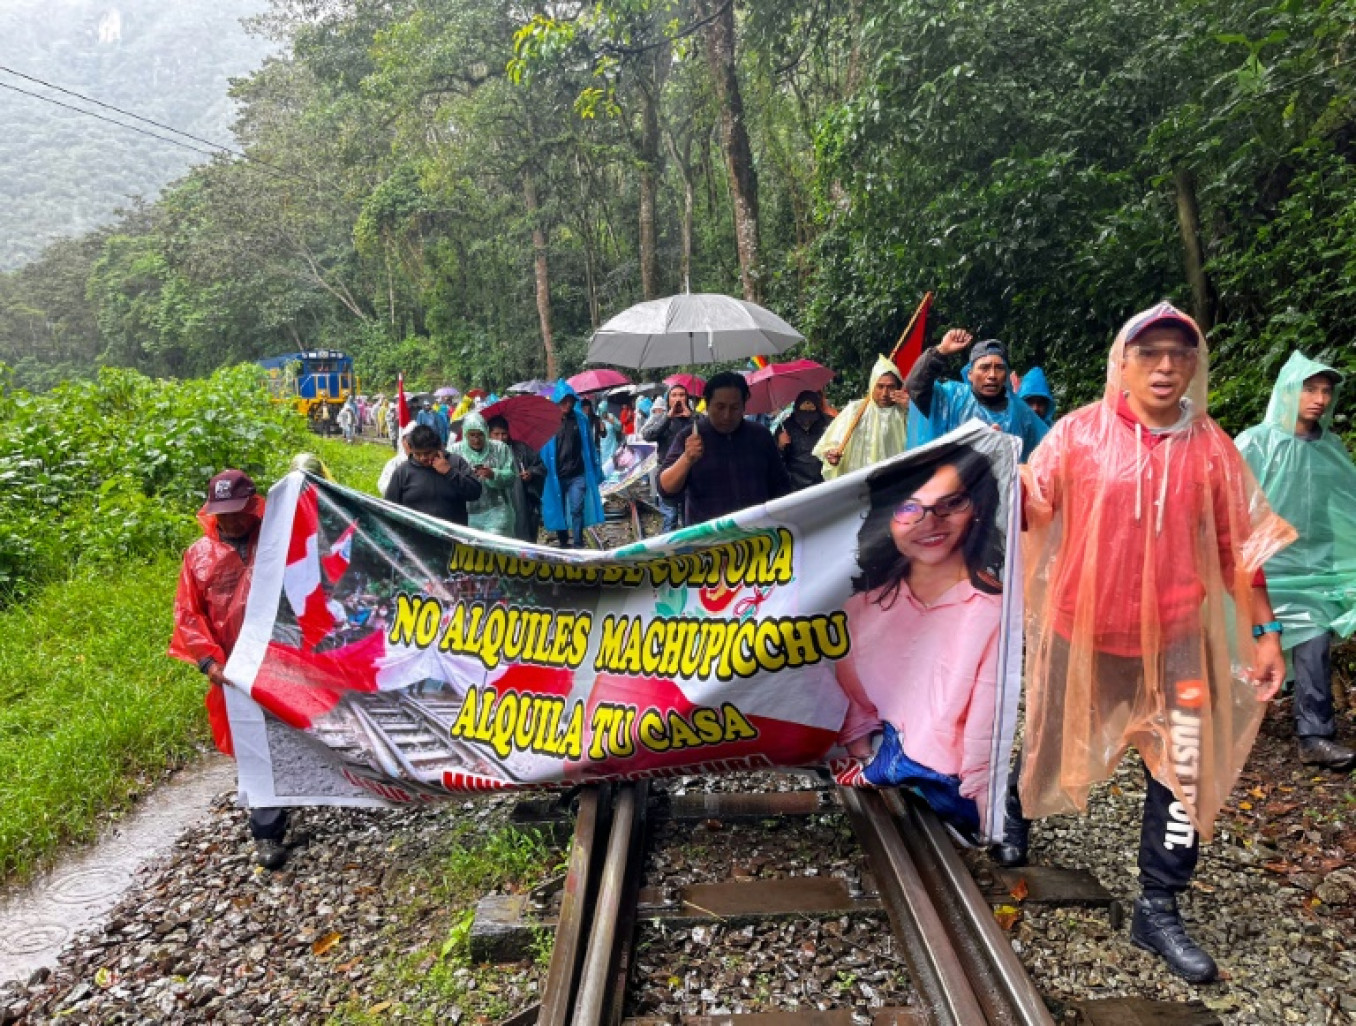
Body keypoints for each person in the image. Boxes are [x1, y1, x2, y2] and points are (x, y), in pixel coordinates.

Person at [1007, 301, 1293, 983]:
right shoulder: (1078, 435)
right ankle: (1016, 812)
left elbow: (1241, 550)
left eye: (1179, 355)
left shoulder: (1213, 450)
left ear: (1194, 366)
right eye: (1150, 354)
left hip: (1177, 647)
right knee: (1050, 731)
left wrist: (1266, 633)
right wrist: (992, 475)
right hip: (1085, 635)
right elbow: (1033, 505)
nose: (1166, 367)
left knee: (1185, 766)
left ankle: (1158, 906)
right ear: (1123, 363)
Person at [836, 445, 1005, 837]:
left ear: (976, 507)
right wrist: (862, 753)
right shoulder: (861, 608)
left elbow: (985, 725)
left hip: (951, 781)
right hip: (880, 759)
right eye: (909, 508)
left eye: (952, 503)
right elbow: (854, 711)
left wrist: (983, 802)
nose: (930, 522)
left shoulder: (990, 609)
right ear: (886, 521)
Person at [1236, 352, 1356, 772]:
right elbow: (1233, 506)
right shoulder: (1256, 443)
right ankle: (1228, 725)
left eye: (1326, 390)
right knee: (1243, 642)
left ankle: (1315, 735)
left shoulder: (1331, 448)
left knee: (1314, 642)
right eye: (1310, 388)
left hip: (1316, 570)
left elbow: (1343, 507)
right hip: (1265, 569)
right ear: (1289, 390)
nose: (1319, 398)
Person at [169, 470, 292, 870]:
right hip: (233, 667)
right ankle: (267, 832)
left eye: (238, 512)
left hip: (283, 659)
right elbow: (189, 614)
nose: (231, 521)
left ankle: (293, 797)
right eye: (223, 513)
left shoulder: (280, 541)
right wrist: (209, 661)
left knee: (292, 732)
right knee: (252, 744)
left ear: (254, 506)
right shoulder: (198, 556)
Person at [658, 370, 792, 525]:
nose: (727, 415)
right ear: (707, 404)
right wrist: (687, 459)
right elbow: (665, 489)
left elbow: (781, 485)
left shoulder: (760, 435)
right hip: (709, 541)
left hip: (758, 534)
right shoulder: (689, 437)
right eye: (720, 407)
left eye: (734, 408)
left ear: (744, 405)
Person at [906, 332, 1048, 460]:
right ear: (970, 374)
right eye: (984, 368)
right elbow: (916, 386)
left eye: (999, 368)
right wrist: (941, 351)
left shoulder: (1020, 412)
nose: (992, 375)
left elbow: (1046, 448)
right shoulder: (951, 398)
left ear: (1006, 375)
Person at [813, 356, 909, 480]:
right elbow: (831, 445)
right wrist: (832, 455)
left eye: (890, 387)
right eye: (880, 386)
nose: (885, 393)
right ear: (872, 385)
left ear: (898, 387)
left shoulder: (904, 413)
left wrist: (912, 408)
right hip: (858, 481)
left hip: (895, 481)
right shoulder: (855, 410)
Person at [540, 381, 604, 547]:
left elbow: (589, 446)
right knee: (559, 509)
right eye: (564, 401)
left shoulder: (580, 420)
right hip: (556, 475)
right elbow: (543, 449)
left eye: (570, 401)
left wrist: (596, 469)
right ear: (557, 401)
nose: (567, 404)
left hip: (577, 474)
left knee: (577, 508)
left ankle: (577, 543)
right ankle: (563, 541)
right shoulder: (548, 422)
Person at [382, 423, 482, 525]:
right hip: (414, 536)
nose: (423, 458)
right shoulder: (403, 471)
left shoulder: (456, 462)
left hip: (451, 536)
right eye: (417, 454)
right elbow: (390, 507)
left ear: (438, 448)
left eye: (427, 453)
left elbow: (475, 493)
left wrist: (449, 472)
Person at [453, 411, 518, 538]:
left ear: (486, 432)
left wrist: (493, 474)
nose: (476, 440)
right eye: (472, 435)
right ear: (465, 434)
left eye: (480, 435)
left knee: (495, 545)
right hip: (467, 512)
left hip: (498, 509)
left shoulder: (500, 449)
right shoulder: (455, 451)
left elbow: (511, 475)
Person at [642, 384, 695, 532]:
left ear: (687, 398)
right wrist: (668, 418)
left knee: (689, 517)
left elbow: (705, 431)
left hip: (690, 472)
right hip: (667, 473)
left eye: (682, 395)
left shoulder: (694, 418)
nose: (678, 399)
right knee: (670, 517)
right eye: (674, 395)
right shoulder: (662, 418)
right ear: (668, 400)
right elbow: (648, 435)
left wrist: (690, 417)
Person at [488, 415, 546, 544]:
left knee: (522, 537)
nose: (500, 438)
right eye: (496, 434)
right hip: (494, 505)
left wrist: (530, 473)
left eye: (504, 434)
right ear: (488, 434)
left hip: (521, 503)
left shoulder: (521, 449)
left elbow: (540, 466)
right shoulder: (484, 454)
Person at [778, 390, 835, 490]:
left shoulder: (828, 423)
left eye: (811, 409)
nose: (807, 415)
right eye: (804, 409)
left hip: (825, 483)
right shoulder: (785, 428)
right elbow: (777, 462)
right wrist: (780, 446)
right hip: (796, 486)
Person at [596, 399, 623, 467]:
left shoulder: (611, 416)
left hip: (612, 445)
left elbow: (619, 427)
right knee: (605, 467)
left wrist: (612, 422)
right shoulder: (597, 419)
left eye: (605, 411)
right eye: (602, 411)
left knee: (614, 465)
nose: (604, 413)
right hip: (603, 447)